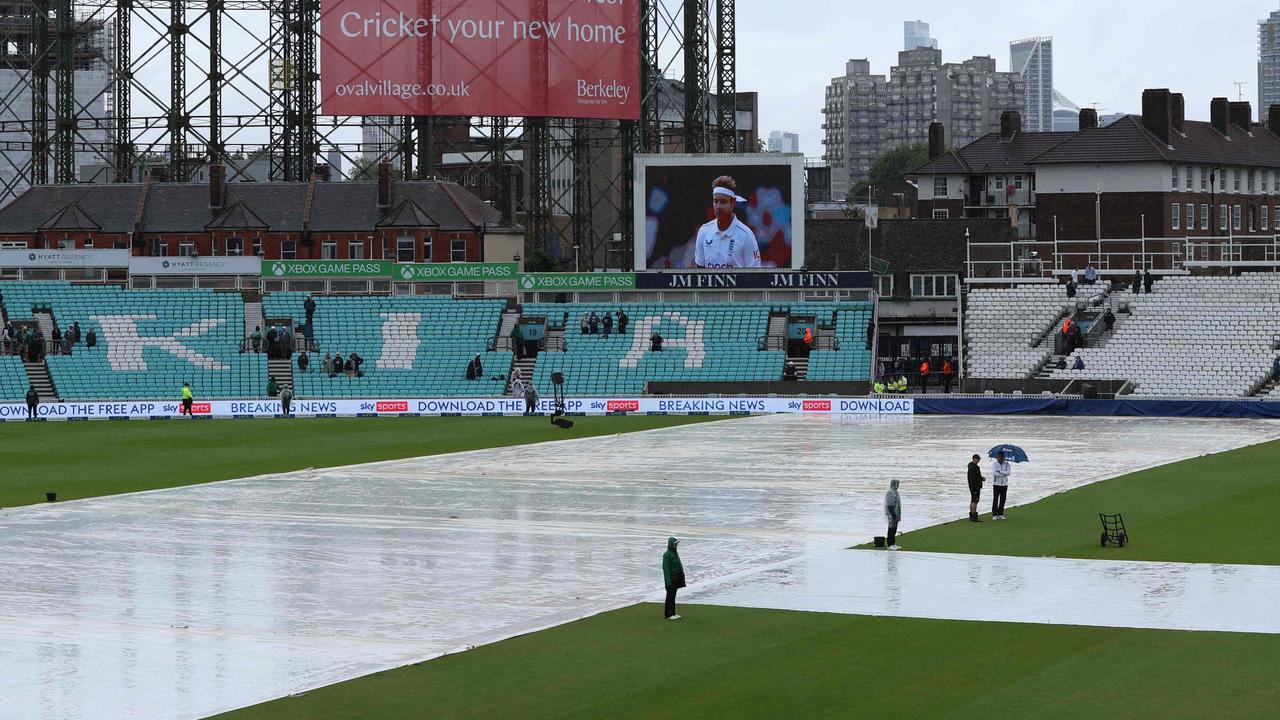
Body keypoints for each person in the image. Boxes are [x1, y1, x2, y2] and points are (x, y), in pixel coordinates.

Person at [695, 176, 760, 268]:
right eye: (715, 201)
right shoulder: (703, 231)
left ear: (733, 203)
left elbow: (755, 276)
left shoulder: (746, 235)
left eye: (723, 202)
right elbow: (700, 271)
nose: (718, 207)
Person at [662, 537, 686, 619]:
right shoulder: (667, 555)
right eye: (675, 544)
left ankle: (673, 613)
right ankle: (668, 614)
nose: (676, 546)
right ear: (671, 545)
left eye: (676, 544)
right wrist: (668, 581)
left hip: (676, 578)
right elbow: (666, 569)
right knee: (669, 596)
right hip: (671, 579)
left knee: (673, 595)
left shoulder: (675, 553)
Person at [992, 452, 1011, 520]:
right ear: (997, 457)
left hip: (1004, 484)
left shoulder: (1007, 464)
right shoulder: (994, 464)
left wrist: (1000, 471)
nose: (1001, 459)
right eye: (1000, 457)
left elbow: (1008, 473)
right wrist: (1003, 473)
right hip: (996, 484)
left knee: (1003, 499)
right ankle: (994, 514)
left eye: (1002, 457)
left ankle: (1000, 514)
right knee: (995, 499)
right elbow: (994, 474)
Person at [884, 479, 902, 550]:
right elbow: (890, 505)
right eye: (897, 484)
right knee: (891, 528)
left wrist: (898, 515)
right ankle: (890, 544)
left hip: (896, 514)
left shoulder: (896, 492)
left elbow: (897, 505)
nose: (898, 486)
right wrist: (893, 515)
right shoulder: (890, 493)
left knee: (894, 529)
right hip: (891, 514)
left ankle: (893, 543)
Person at [967, 454, 985, 522]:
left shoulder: (973, 466)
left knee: (973, 501)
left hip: (973, 486)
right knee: (975, 501)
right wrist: (975, 487)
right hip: (975, 487)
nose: (979, 460)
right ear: (974, 459)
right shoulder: (972, 467)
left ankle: (972, 516)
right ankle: (974, 517)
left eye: (979, 459)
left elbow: (976, 477)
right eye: (978, 459)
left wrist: (981, 478)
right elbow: (973, 479)